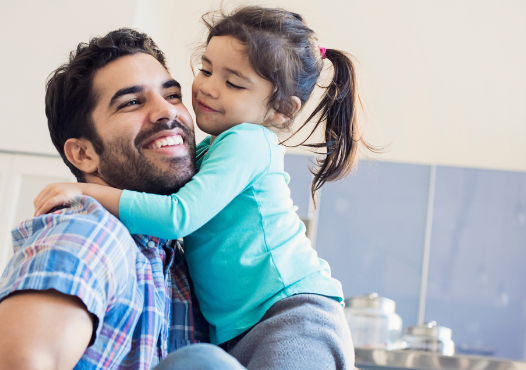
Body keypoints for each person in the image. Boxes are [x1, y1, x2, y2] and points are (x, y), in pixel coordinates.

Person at [34, 6, 377, 370]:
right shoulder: (211, 149)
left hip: (290, 314)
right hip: (244, 327)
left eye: (233, 83)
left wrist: (88, 192)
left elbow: (178, 216)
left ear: (280, 110)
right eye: (206, 69)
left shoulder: (248, 141)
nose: (207, 88)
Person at [0, 28, 245, 370]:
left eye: (172, 95)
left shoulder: (180, 264)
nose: (166, 112)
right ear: (83, 154)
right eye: (131, 102)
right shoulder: (89, 235)